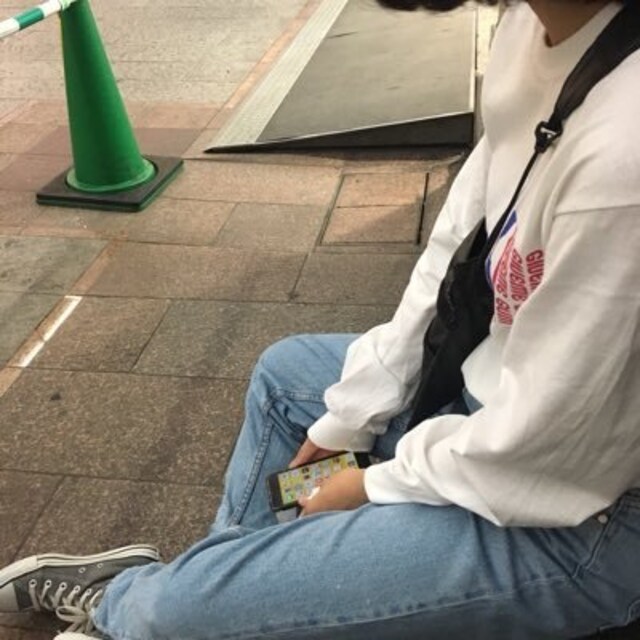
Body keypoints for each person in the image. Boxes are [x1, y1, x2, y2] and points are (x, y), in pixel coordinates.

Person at [2, 0, 640, 637]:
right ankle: (194, 600)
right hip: (495, 403)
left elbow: (549, 454)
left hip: (583, 518)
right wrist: (358, 407)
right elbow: (459, 246)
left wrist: (373, 484)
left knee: (178, 611)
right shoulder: (533, 25)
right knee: (288, 381)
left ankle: (143, 609)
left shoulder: (623, 149)